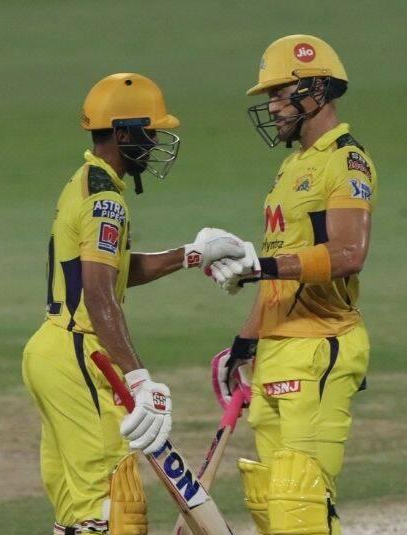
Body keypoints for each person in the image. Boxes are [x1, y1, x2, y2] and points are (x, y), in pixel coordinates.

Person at [22, 72, 247, 535]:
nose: (156, 142)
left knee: (79, 515)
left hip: (51, 352)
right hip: (81, 356)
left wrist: (191, 255)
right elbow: (99, 293)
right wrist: (139, 379)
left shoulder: (86, 182)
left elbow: (113, 268)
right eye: (150, 131)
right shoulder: (106, 201)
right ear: (124, 134)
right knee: (114, 509)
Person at [207, 35, 377, 535]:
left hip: (321, 343)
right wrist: (245, 343)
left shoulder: (346, 161)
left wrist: (261, 266)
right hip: (276, 350)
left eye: (281, 94)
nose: (272, 107)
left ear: (317, 90)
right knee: (271, 502)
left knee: (300, 501)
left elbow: (349, 254)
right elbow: (279, 274)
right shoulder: (291, 168)